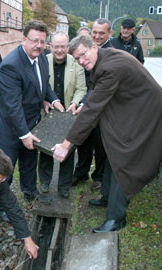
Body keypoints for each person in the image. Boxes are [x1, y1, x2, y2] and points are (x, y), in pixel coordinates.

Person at [52, 34, 162, 233]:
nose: (82, 61)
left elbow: (92, 111)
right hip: (132, 106)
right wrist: (86, 104)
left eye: (83, 55)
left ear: (94, 47)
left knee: (122, 157)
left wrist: (66, 145)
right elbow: (95, 96)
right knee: (111, 147)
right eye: (77, 59)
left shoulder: (111, 67)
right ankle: (108, 196)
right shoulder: (105, 58)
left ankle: (117, 218)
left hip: (147, 111)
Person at [0, 20, 64, 204]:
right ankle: (2, 206)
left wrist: (53, 99)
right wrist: (24, 134)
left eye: (42, 41)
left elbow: (43, 83)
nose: (39, 45)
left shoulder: (42, 57)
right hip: (6, 126)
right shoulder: (11, 66)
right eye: (34, 40)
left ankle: (30, 191)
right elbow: (12, 107)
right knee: (5, 167)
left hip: (29, 120)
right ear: (24, 39)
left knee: (29, 159)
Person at [38, 32, 87, 198]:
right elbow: (39, 85)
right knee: (45, 149)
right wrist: (45, 100)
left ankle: (64, 186)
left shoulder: (76, 62)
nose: (59, 50)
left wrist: (74, 103)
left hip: (68, 113)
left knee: (68, 151)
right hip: (49, 112)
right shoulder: (43, 61)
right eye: (56, 46)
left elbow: (82, 88)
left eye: (63, 46)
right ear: (50, 46)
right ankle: (44, 182)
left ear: (68, 47)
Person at [72, 18, 112, 190]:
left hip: (103, 107)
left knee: (101, 143)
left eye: (101, 33)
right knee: (83, 142)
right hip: (86, 100)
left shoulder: (111, 52)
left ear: (109, 34)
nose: (97, 35)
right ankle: (81, 172)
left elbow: (100, 87)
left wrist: (86, 102)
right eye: (94, 32)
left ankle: (99, 176)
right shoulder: (83, 52)